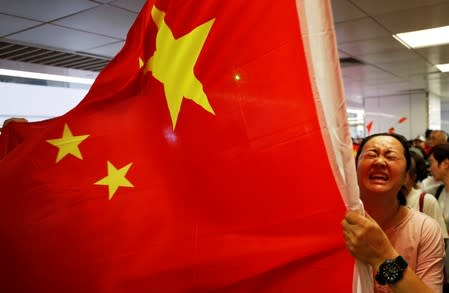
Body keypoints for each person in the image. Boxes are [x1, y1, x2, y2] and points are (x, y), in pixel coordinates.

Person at [342, 133, 445, 293]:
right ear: (354, 170)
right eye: (371, 154)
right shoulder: (340, 223)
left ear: (406, 176)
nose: (380, 161)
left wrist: (383, 256)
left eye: (390, 157)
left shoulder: (425, 230)